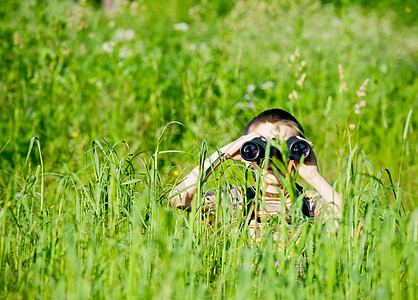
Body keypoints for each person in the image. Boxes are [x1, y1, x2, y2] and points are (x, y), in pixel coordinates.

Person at [170, 108, 342, 243]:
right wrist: (225, 153)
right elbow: (179, 199)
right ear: (247, 154)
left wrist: (314, 177)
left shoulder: (309, 204)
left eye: (285, 148)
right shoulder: (236, 200)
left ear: (299, 150)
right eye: (263, 147)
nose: (274, 157)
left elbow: (352, 228)